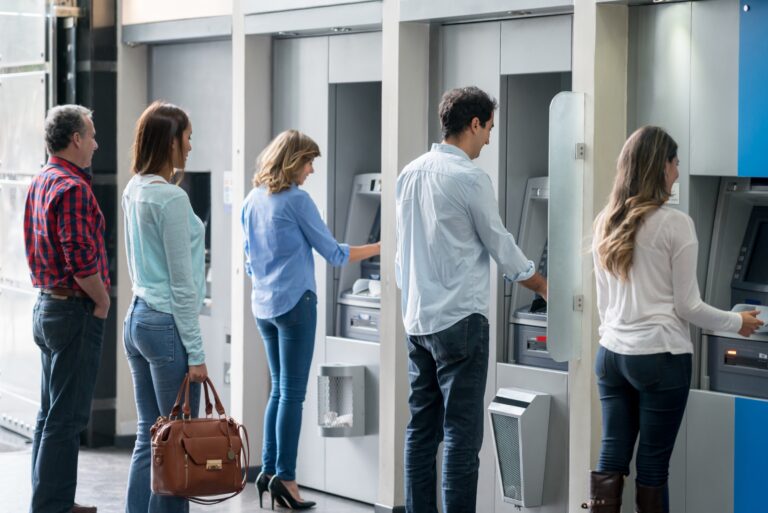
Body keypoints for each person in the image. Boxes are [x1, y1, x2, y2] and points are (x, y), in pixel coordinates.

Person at [585, 126, 763, 513]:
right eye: (675, 163)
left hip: (611, 355)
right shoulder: (674, 224)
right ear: (659, 167)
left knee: (611, 456)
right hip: (660, 357)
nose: (678, 173)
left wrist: (620, 335)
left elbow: (604, 304)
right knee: (651, 465)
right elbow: (688, 306)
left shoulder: (606, 221)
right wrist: (739, 324)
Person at [395, 86, 548, 513]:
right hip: (461, 322)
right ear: (474, 124)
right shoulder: (470, 179)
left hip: (418, 322)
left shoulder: (409, 173)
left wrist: (413, 301)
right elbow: (501, 244)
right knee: (462, 436)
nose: (487, 140)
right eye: (488, 130)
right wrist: (543, 285)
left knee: (421, 432)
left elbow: (400, 253)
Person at [241, 129, 380, 510]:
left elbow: (248, 260)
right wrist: (385, 245)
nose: (312, 170)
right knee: (293, 394)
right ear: (292, 161)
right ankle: (286, 477)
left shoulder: (252, 200)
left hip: (264, 307)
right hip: (295, 306)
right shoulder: (296, 201)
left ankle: (267, 472)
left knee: (278, 390)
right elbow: (334, 253)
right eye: (308, 162)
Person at [121, 101, 208, 513]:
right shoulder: (171, 199)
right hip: (164, 323)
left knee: (148, 435)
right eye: (187, 137)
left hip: (137, 318)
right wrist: (197, 353)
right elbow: (183, 285)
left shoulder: (133, 189)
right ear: (170, 141)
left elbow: (136, 262)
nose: (191, 146)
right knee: (176, 442)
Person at [24, 104, 110, 513]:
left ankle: (50, 498)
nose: (95, 144)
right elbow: (79, 257)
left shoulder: (43, 179)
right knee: (67, 417)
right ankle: (53, 505)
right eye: (91, 135)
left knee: (50, 413)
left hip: (46, 306)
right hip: (73, 309)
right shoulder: (73, 187)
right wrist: (103, 298)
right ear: (75, 139)